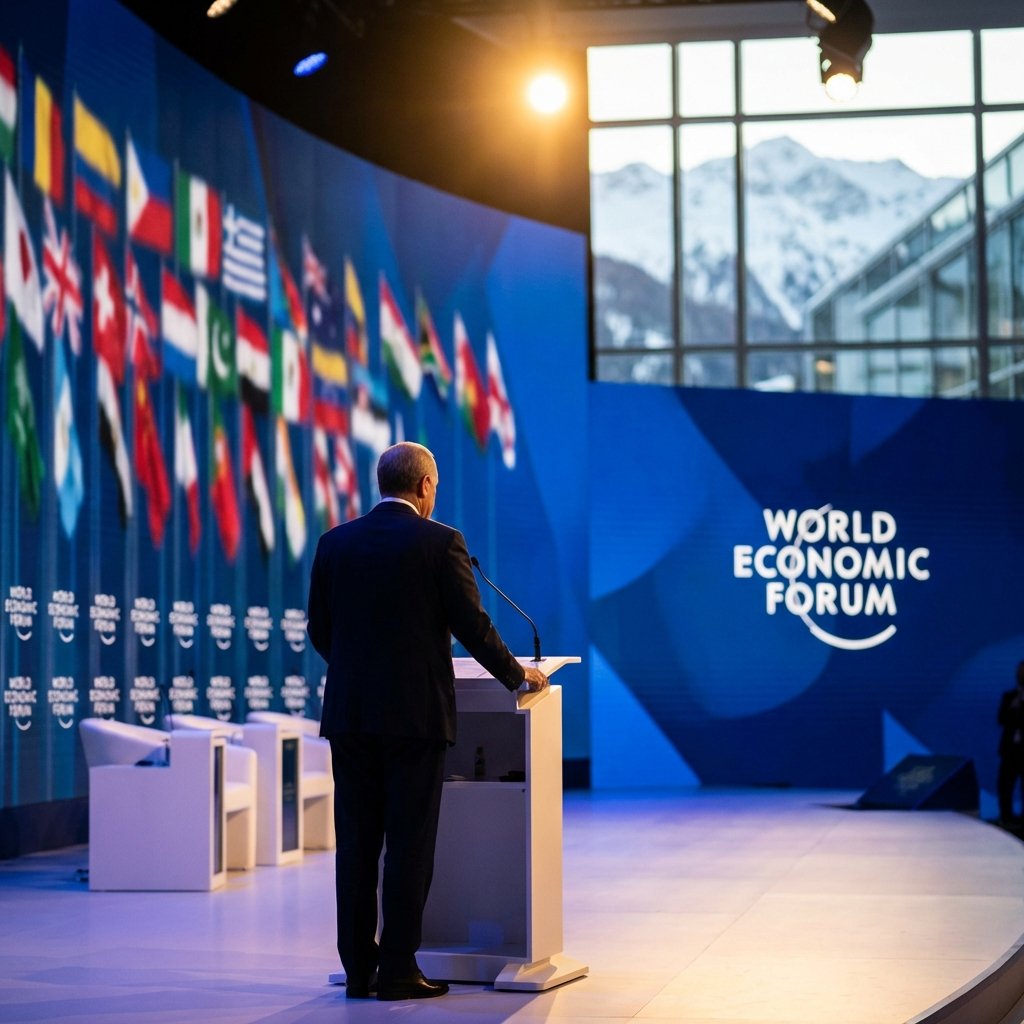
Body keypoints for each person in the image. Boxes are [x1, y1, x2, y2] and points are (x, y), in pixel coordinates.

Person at [307, 441, 548, 1001]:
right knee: (409, 845)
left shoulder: (334, 543)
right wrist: (518, 676)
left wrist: (359, 676)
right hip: (415, 719)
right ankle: (397, 969)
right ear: (424, 487)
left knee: (358, 846)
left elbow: (322, 630)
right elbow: (473, 626)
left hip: (350, 716)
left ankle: (359, 971)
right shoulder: (441, 543)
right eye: (435, 486)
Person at [997, 662, 1024, 824]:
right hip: (1010, 749)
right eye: (1018, 672)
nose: (1020, 675)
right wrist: (1012, 708)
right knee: (1005, 785)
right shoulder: (1009, 696)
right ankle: (1006, 817)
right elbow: (1000, 719)